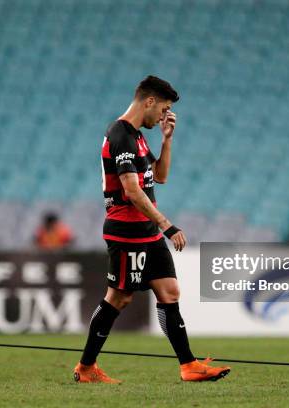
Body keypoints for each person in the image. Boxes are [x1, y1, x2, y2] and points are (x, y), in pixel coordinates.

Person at [73, 76, 230, 383]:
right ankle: (86, 367)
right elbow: (132, 191)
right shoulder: (120, 135)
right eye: (163, 109)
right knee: (119, 299)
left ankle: (188, 366)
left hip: (147, 230)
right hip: (126, 230)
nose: (164, 115)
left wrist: (167, 139)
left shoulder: (139, 137)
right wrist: (167, 225)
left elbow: (159, 177)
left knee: (170, 292)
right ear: (149, 101)